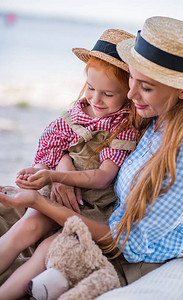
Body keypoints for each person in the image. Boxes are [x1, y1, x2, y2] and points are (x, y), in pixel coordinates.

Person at [0, 15, 183, 299]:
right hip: (99, 213)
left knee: (45, 244)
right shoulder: (154, 115)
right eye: (131, 77)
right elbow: (77, 139)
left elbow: (124, 242)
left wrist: (39, 199)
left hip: (125, 247)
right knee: (23, 222)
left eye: (146, 86)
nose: (130, 94)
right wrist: (63, 164)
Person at [0, 28, 139, 281]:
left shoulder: (122, 127)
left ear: (129, 94)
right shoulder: (76, 113)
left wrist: (55, 173)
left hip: (90, 206)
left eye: (108, 94)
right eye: (90, 87)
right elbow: (50, 146)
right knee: (26, 227)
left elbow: (103, 178)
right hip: (54, 190)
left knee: (48, 249)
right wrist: (40, 169)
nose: (96, 99)